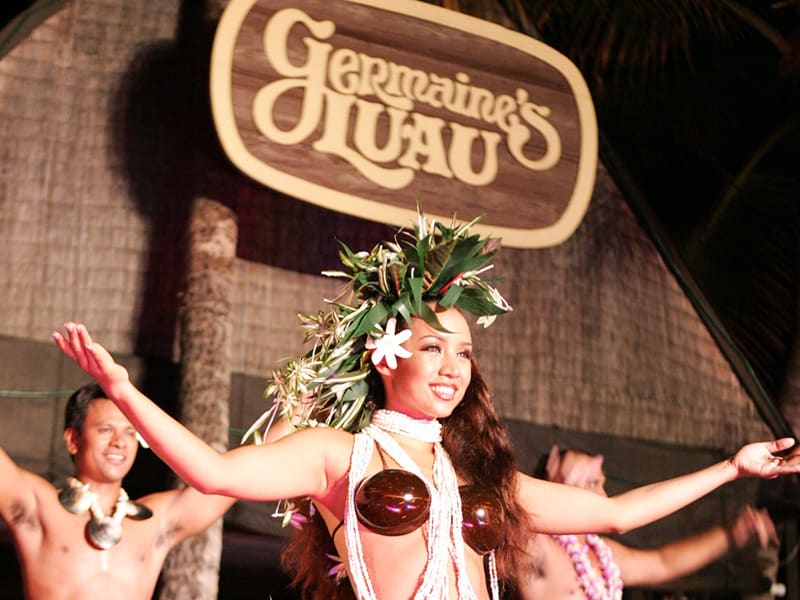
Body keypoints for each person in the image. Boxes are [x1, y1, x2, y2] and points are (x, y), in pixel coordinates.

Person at [52, 211, 800, 600]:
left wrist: (731, 470)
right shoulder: (335, 456)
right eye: (433, 348)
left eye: (465, 353)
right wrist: (122, 389)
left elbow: (614, 517)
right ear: (385, 354)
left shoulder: (473, 476)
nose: (452, 367)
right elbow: (212, 471)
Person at [0, 382, 236, 600]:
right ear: (73, 440)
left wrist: (275, 419)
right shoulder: (39, 507)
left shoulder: (156, 521)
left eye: (130, 432)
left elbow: (229, 479)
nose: (119, 442)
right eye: (105, 430)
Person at [513, 445, 778, 599]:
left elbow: (664, 563)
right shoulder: (535, 544)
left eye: (602, 484)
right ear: (555, 483)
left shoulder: (603, 555)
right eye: (592, 482)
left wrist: (733, 534)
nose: (602, 494)